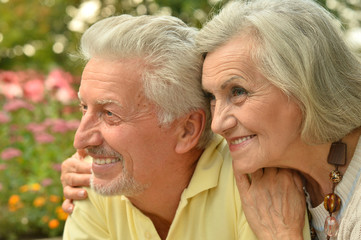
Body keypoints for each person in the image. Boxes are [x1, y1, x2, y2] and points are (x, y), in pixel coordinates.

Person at [61, 14, 309, 240]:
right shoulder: (96, 184)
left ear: (187, 130)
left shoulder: (254, 182)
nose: (81, 139)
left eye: (109, 113)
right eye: (84, 107)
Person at [196, 0, 361, 239]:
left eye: (238, 92)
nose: (217, 125)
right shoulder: (271, 182)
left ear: (304, 84)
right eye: (212, 97)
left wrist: (283, 235)